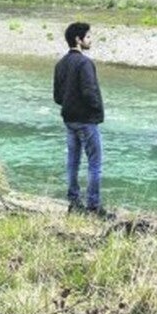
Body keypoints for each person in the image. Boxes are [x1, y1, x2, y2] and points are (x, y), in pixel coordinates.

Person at [53, 21, 110, 218]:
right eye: (88, 36)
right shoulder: (85, 63)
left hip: (69, 120)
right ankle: (93, 206)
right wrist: (97, 110)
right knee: (95, 164)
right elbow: (90, 92)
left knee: (73, 162)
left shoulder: (60, 64)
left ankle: (74, 201)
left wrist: (70, 105)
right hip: (86, 120)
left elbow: (57, 97)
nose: (91, 40)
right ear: (78, 39)